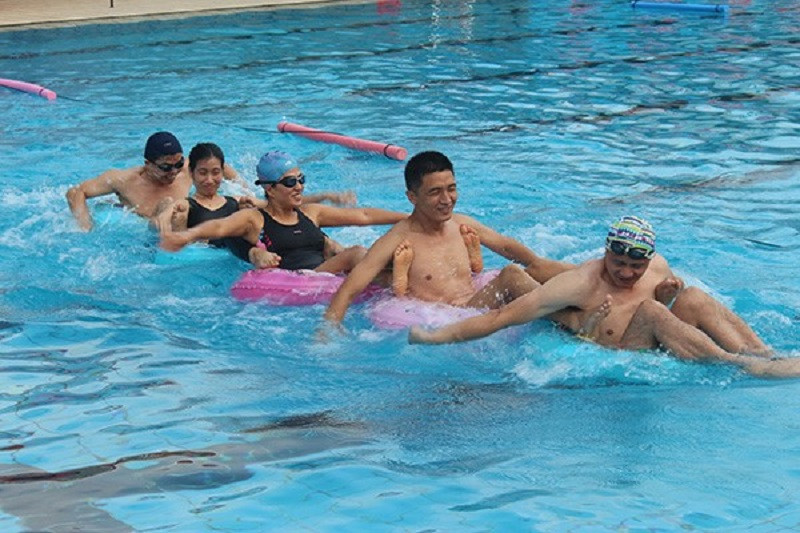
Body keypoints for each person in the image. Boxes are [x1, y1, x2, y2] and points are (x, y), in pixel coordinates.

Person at [409, 215, 800, 378]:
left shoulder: (658, 267)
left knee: (693, 296)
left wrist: (667, 295)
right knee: (651, 311)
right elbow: (501, 318)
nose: (626, 273)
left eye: (636, 266)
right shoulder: (579, 284)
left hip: (656, 336)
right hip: (622, 347)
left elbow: (666, 303)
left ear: (648, 260)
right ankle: (740, 365)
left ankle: (762, 353)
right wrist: (435, 335)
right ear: (605, 252)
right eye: (618, 263)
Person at [322, 151, 569, 327]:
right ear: (412, 197)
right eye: (435, 192)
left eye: (451, 188)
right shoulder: (398, 238)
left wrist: (538, 264)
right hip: (448, 316)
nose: (447, 199)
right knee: (511, 275)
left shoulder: (461, 224)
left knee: (535, 269)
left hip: (476, 301)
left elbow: (506, 246)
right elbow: (350, 288)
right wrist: (327, 332)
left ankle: (579, 289)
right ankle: (571, 320)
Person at [159, 150, 406, 274]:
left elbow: (363, 216)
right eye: (290, 182)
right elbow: (220, 227)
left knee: (389, 262)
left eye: (301, 179)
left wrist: (409, 217)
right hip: (303, 279)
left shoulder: (311, 212)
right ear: (270, 188)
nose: (299, 186)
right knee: (357, 254)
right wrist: (185, 236)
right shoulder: (255, 219)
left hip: (329, 272)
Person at [65, 131, 242, 231]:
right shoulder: (124, 180)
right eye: (165, 167)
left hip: (178, 225)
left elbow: (219, 165)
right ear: (148, 164)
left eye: (178, 164)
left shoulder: (188, 168)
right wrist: (85, 227)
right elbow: (76, 192)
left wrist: (242, 187)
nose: (174, 172)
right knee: (168, 206)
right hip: (146, 230)